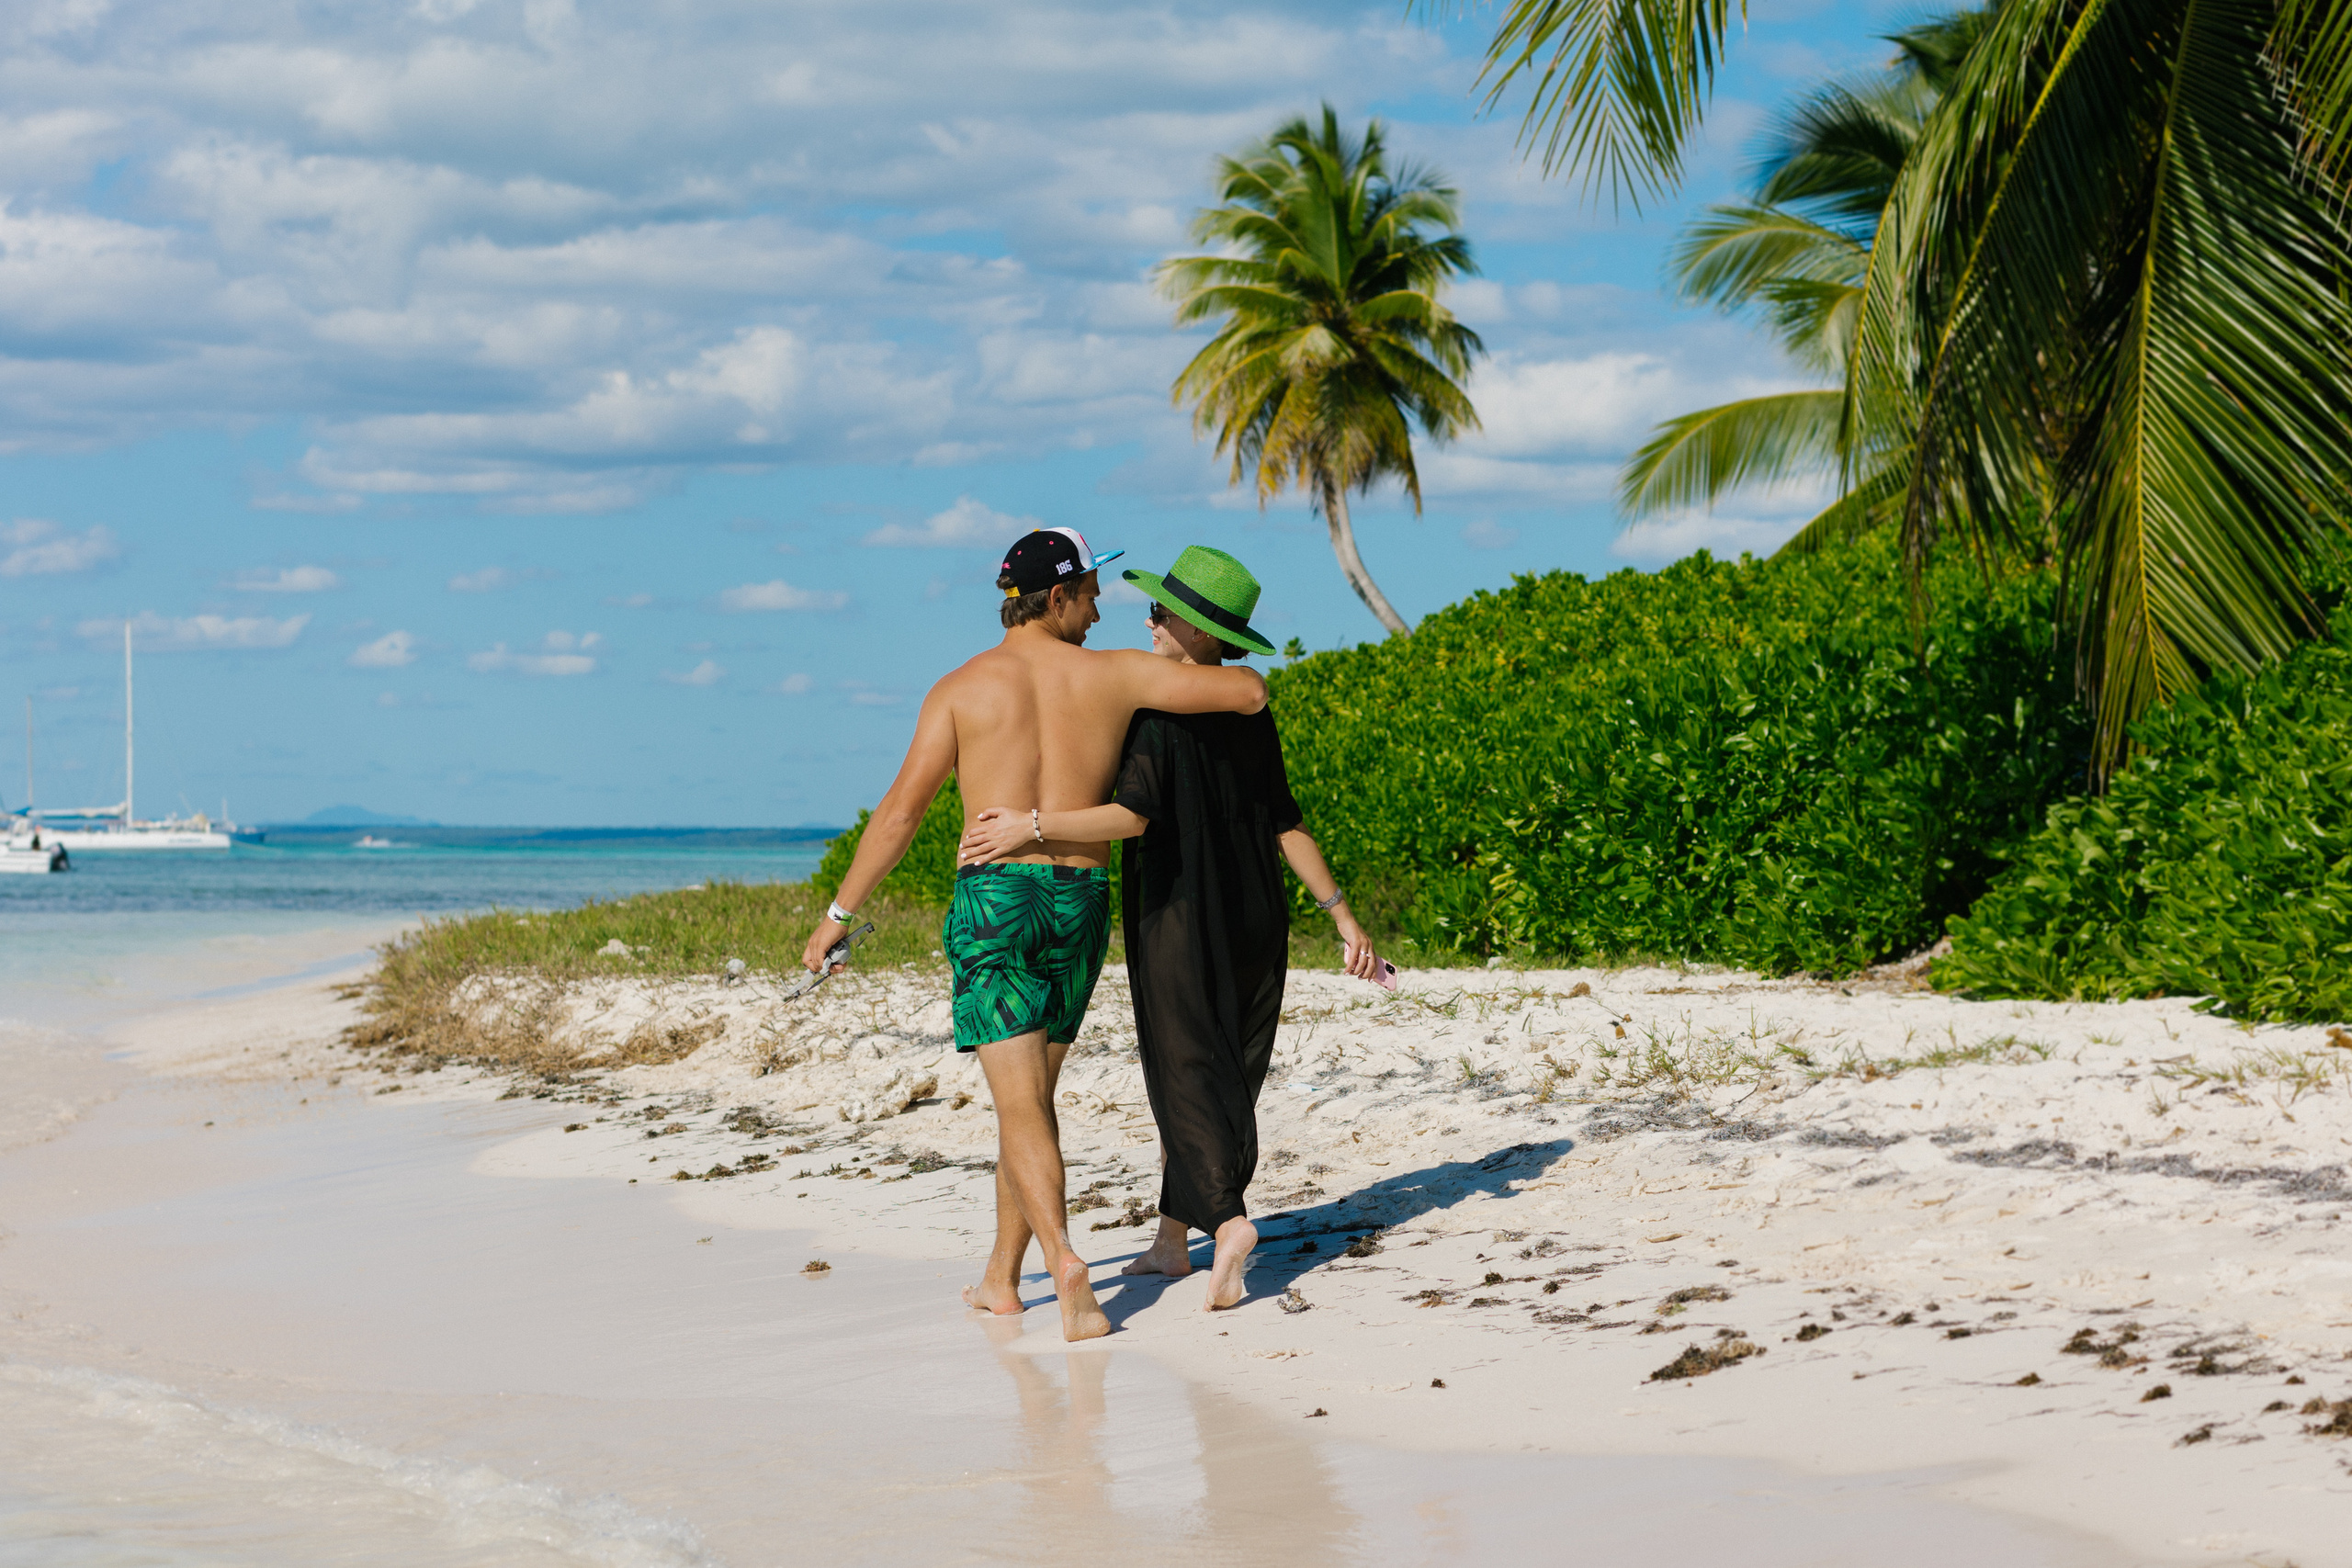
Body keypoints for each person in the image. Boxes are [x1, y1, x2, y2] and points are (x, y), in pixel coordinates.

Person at [800, 527, 1268, 1343]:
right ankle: (1000, 1280)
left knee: (1021, 1110)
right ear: (1054, 596)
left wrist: (839, 914)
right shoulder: (1117, 675)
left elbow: (902, 812)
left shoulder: (960, 689)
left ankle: (1064, 1262)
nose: (1097, 609)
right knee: (1030, 1108)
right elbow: (1250, 693)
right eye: (1089, 592)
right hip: (1080, 901)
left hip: (996, 901)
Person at [960, 546, 1379, 1313]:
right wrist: (1343, 915)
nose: (1145, 621)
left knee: (1182, 1071)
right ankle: (1169, 1237)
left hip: (1177, 912)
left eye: (1160, 613)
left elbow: (1133, 816)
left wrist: (1033, 825)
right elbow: (1288, 821)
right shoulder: (1248, 710)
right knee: (1230, 1065)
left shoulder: (1153, 715)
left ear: (1197, 631)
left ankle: (1225, 1221)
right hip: (1258, 914)